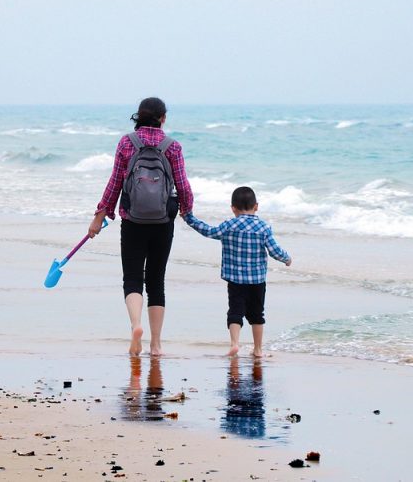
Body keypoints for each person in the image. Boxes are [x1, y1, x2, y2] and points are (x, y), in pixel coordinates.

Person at [88, 97, 193, 357]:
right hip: (162, 222)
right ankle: (156, 344)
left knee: (133, 278)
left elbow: (114, 182)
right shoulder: (173, 147)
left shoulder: (126, 143)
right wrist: (186, 210)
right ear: (163, 118)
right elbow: (183, 185)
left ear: (139, 116)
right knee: (156, 281)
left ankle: (136, 326)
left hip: (132, 220)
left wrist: (101, 215)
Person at [184, 186, 291, 357]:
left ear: (233, 208)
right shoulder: (264, 227)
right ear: (256, 206)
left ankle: (234, 344)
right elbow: (274, 250)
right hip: (257, 281)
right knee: (257, 314)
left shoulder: (228, 226)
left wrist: (189, 218)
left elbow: (208, 231)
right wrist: (287, 259)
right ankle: (257, 349)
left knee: (235, 312)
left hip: (235, 281)